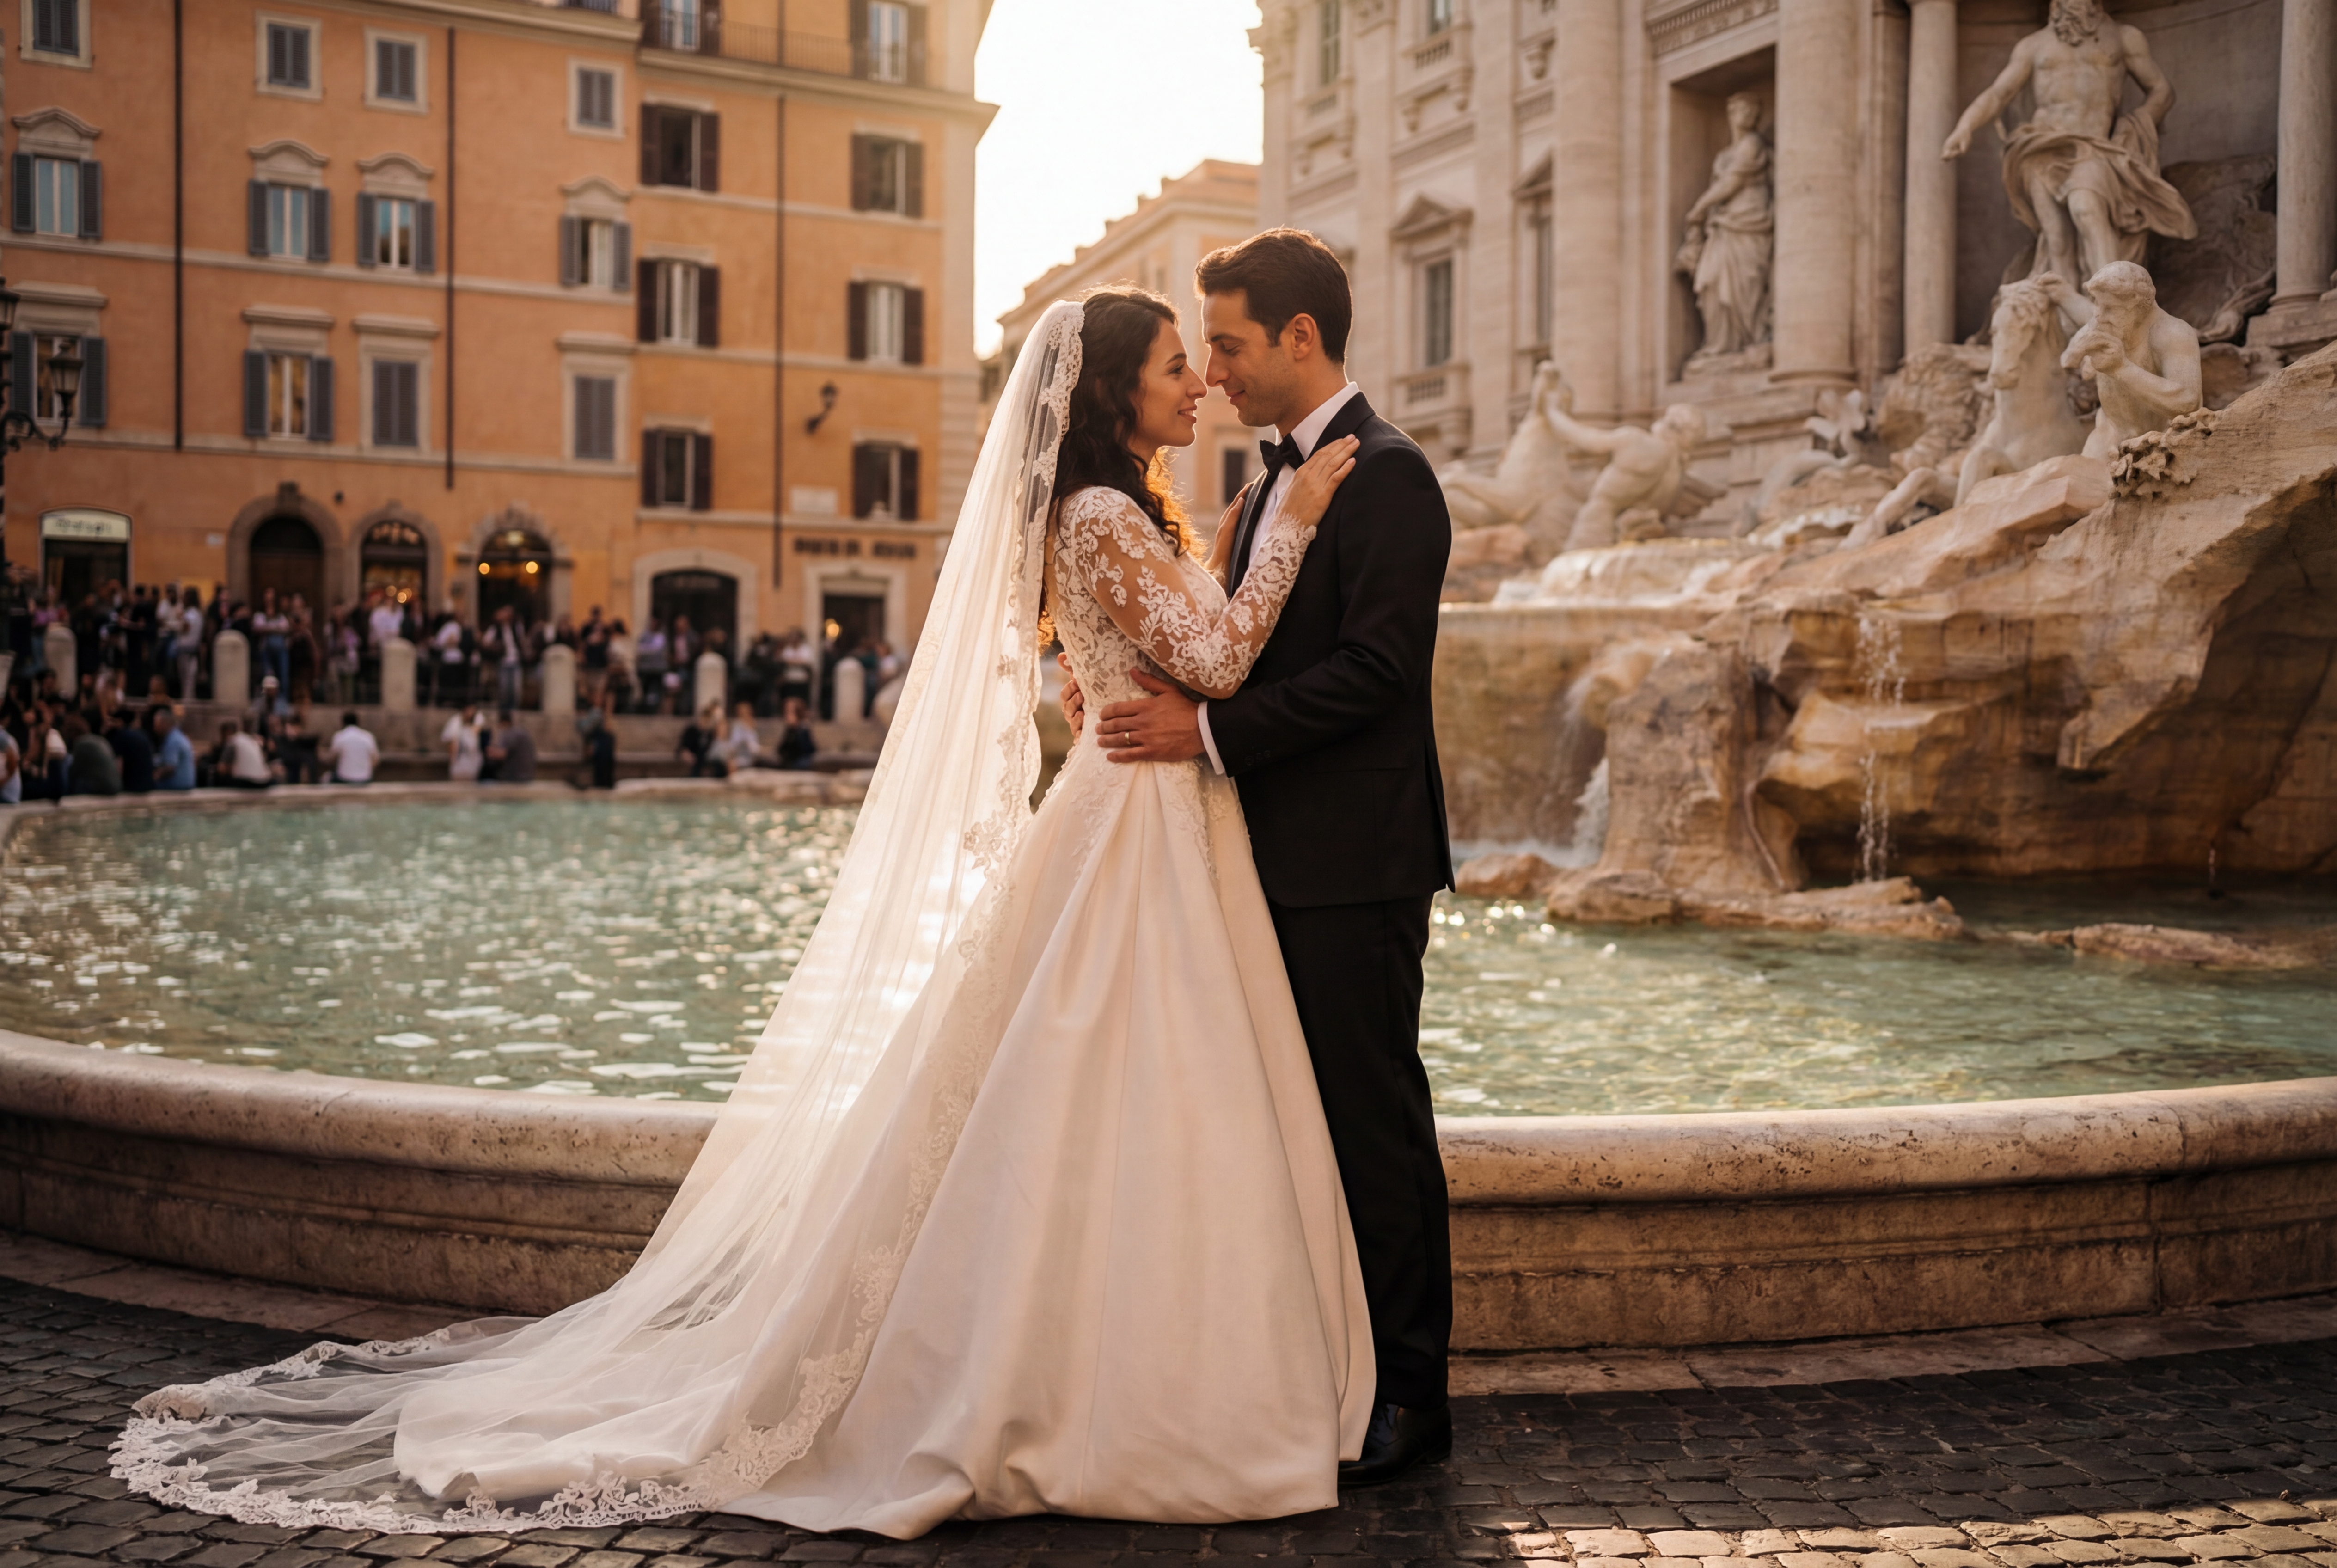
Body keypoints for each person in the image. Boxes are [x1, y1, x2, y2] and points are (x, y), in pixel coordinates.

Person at [115, 287, 1372, 1536]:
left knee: (1110, 1088)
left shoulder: (1119, 507)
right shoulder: (1100, 510)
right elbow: (1213, 661)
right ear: (1111, 393)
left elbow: (1165, 653)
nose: (1195, 381)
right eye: (1171, 365)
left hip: (1143, 806)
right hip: (1132, 819)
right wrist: (1293, 529)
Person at [1071, 232, 1457, 1482]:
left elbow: (1378, 673)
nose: (1217, 375)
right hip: (1242, 860)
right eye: (1198, 356)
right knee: (1281, 1130)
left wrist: (1211, 729)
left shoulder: (1392, 478)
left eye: (1227, 346)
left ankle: (1411, 1393)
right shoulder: (1268, 484)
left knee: (1371, 1120)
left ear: (1301, 337)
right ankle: (1322, 1371)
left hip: (1351, 865)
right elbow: (1200, 636)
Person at [62, 715, 121, 796]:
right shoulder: (100, 740)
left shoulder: (82, 743)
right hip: (116, 787)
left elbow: (74, 772)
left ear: (73, 732)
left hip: (103, 789)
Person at [106, 709, 156, 795]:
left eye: (113, 721)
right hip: (148, 786)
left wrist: (116, 787)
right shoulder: (143, 735)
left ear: (120, 721)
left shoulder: (119, 736)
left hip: (131, 788)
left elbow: (119, 764)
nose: (109, 724)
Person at [323, 711, 380, 785]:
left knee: (326, 777)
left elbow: (332, 759)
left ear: (343, 723)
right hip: (365, 779)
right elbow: (376, 760)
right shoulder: (368, 737)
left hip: (344, 779)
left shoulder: (340, 736)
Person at [485, 708, 536, 784]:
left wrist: (488, 752)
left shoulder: (511, 733)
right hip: (528, 775)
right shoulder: (520, 731)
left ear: (502, 723)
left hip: (517, 777)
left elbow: (503, 754)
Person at [677, 701, 726, 778]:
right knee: (698, 762)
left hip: (706, 757)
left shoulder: (710, 734)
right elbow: (683, 747)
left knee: (719, 763)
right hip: (693, 756)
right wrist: (686, 754)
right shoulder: (692, 730)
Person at [153, 708, 196, 791]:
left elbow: (170, 768)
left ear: (165, 724)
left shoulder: (173, 740)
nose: (155, 728)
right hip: (186, 785)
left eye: (157, 724)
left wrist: (154, 776)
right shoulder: (178, 736)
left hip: (178, 787)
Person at [442, 704, 485, 782]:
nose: (470, 714)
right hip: (459, 761)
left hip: (473, 760)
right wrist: (453, 761)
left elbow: (476, 730)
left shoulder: (477, 718)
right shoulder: (456, 721)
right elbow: (451, 742)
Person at [717, 701, 762, 773]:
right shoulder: (738, 726)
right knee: (729, 761)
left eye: (745, 713)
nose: (743, 715)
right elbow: (734, 743)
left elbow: (754, 747)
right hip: (738, 755)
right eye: (741, 713)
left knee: (733, 763)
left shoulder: (752, 727)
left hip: (750, 757)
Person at [776, 697, 817, 771]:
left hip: (801, 764)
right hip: (790, 763)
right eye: (786, 712)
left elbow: (807, 750)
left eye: (790, 712)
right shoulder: (790, 730)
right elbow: (781, 749)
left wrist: (798, 730)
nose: (787, 716)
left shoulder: (803, 729)